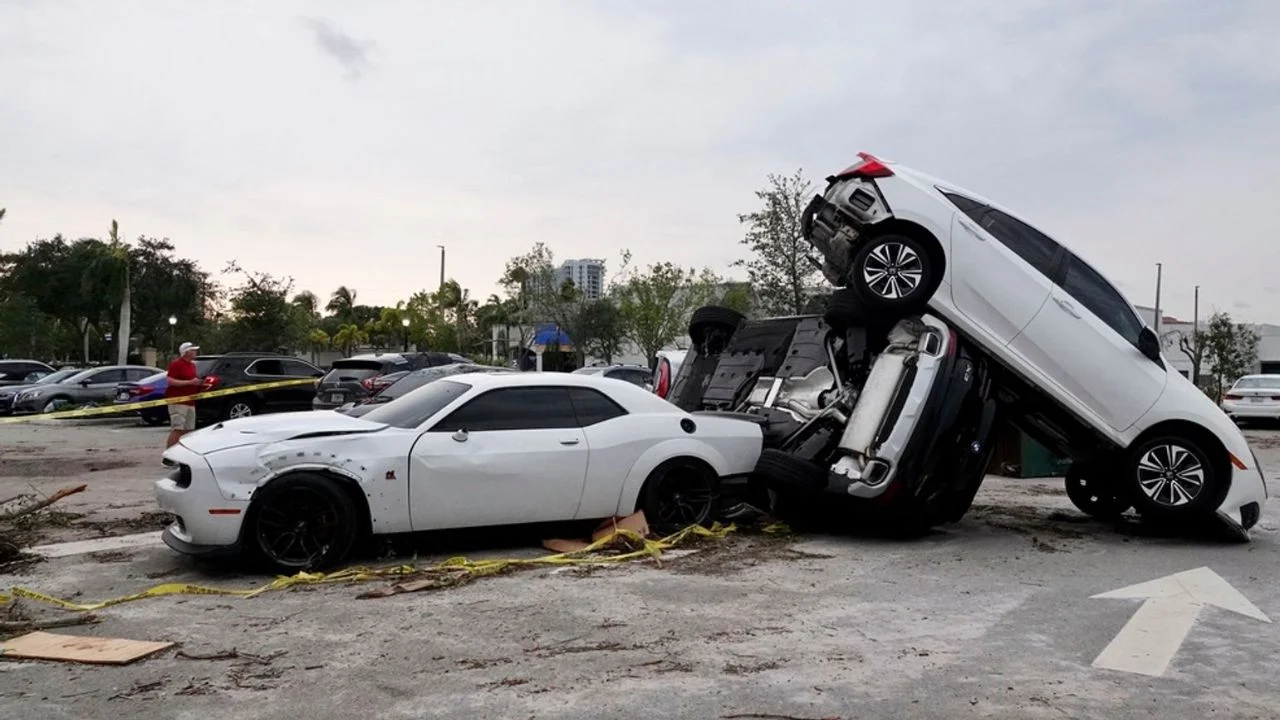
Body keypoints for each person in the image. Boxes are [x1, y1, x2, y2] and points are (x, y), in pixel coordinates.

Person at [165, 342, 202, 449]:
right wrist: (190, 382)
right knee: (178, 429)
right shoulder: (176, 364)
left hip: (190, 401)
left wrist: (198, 383)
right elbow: (170, 381)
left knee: (189, 430)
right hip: (178, 401)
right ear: (186, 352)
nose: (195, 352)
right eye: (193, 350)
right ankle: (169, 456)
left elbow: (191, 380)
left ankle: (183, 454)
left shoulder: (192, 365)